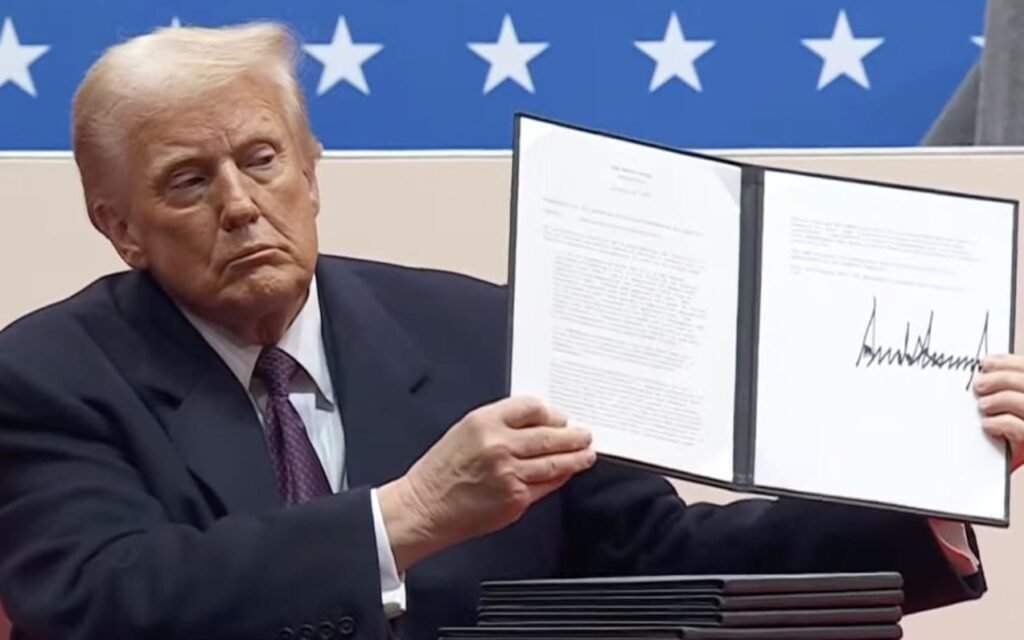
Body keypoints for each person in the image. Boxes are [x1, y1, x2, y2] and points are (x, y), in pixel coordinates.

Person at [0, 22, 1021, 640]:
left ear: (311, 170)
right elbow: (96, 600)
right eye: (188, 181)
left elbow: (657, 556)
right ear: (118, 227)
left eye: (261, 160)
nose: (239, 204)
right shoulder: (46, 374)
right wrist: (405, 516)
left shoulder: (486, 332)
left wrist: (932, 484)